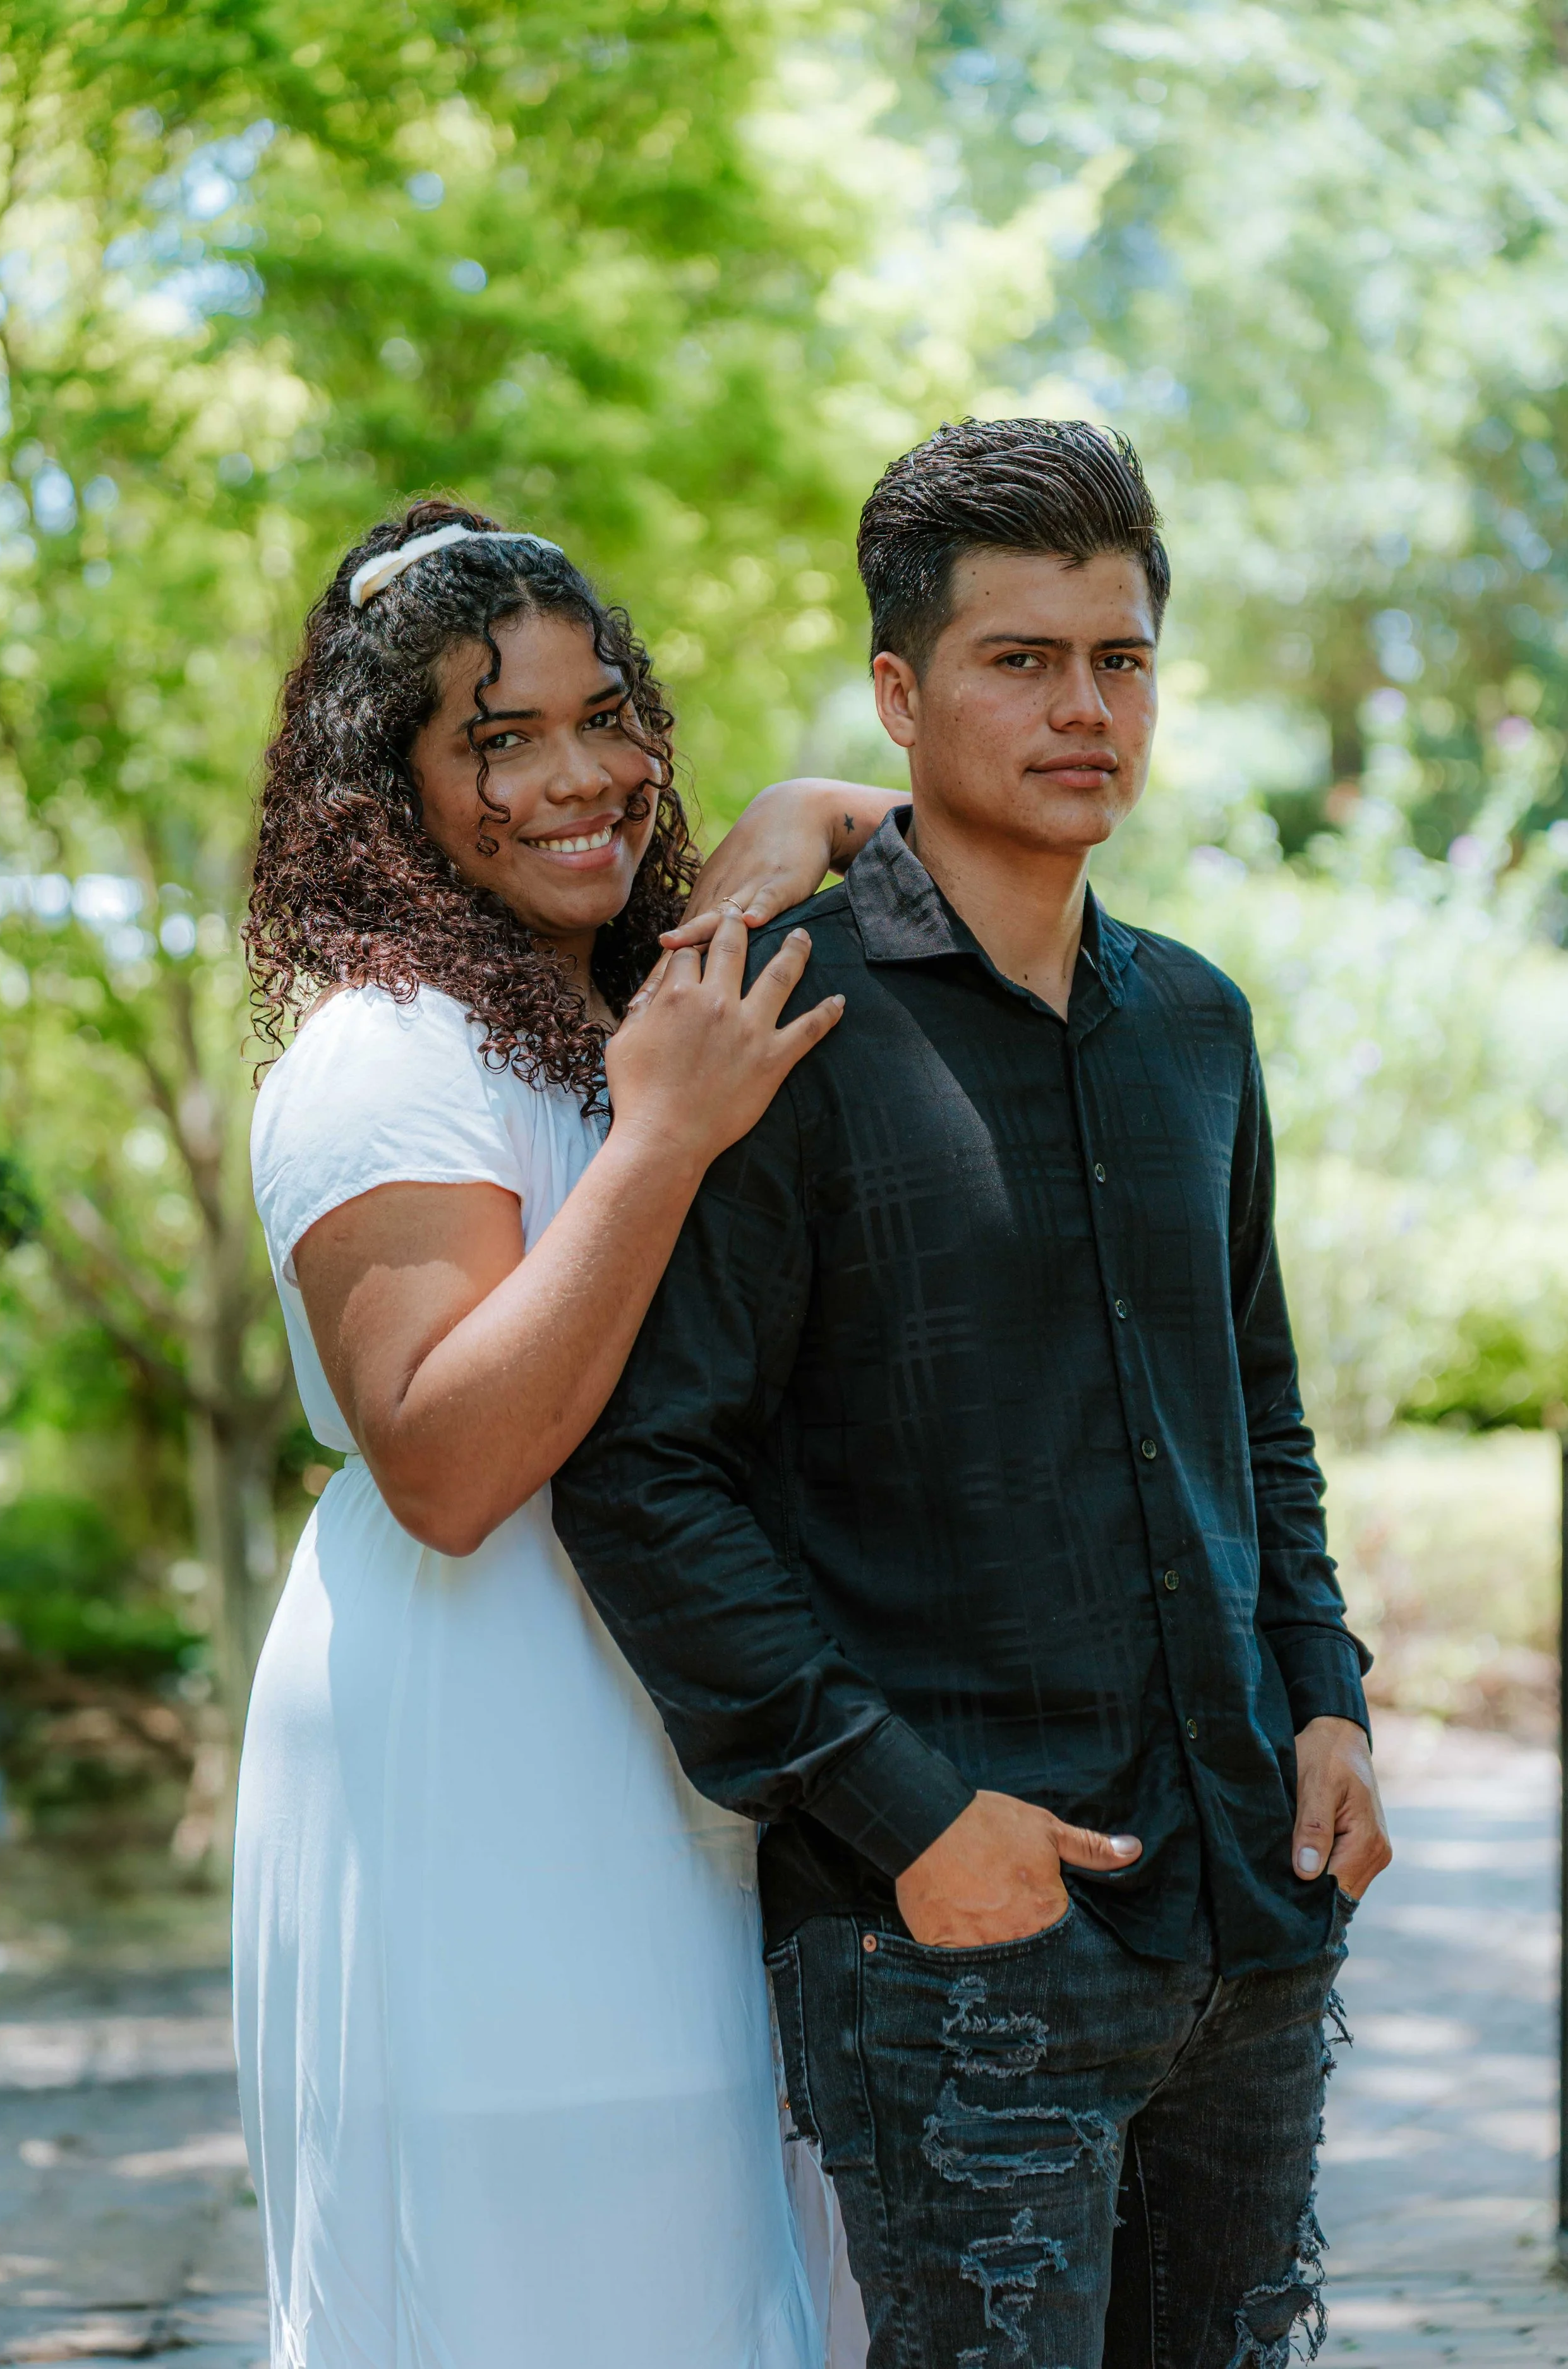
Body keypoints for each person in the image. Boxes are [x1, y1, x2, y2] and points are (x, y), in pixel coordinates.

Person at [553, 419, 1394, 2369]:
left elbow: (1252, 1412)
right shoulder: (782, 1021)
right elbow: (644, 1474)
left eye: (1119, 659)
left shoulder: (1196, 1022)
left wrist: (1327, 1692)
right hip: (951, 1946)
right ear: (896, 692)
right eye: (1019, 660)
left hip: (1250, 1915)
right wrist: (909, 1813)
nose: (1083, 706)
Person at [233, 495, 887, 2368]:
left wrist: (823, 812)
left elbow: (1029, 846)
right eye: (494, 737)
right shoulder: (386, 1053)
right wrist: (669, 1136)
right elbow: (442, 1464)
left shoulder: (577, 1012)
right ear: (385, 783)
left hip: (650, 1729)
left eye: (606, 715)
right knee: (549, 2286)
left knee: (698, 2263)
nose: (572, 776)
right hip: (475, 1742)